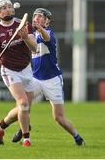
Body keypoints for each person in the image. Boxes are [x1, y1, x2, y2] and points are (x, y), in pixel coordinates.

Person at [12, 8, 85, 146]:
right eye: (35, 16)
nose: (37, 18)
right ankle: (23, 131)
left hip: (53, 80)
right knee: (23, 105)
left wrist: (39, 29)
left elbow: (46, 37)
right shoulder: (30, 36)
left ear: (47, 21)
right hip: (36, 79)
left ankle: (77, 137)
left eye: (41, 17)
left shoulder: (48, 33)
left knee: (58, 118)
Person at [0, 0, 37, 147]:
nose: (7, 9)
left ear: (13, 10)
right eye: (3, 8)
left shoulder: (23, 25)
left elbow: (35, 48)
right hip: (9, 70)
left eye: (9, 7)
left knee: (24, 109)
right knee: (23, 104)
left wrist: (24, 37)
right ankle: (26, 139)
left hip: (26, 68)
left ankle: (0, 127)